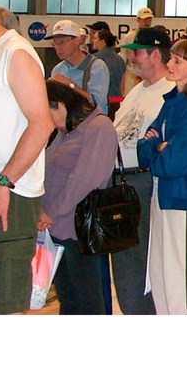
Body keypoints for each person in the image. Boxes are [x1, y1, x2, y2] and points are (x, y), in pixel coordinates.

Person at [137, 41, 187, 314]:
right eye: (171, 59)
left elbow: (174, 162)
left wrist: (160, 148)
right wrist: (157, 147)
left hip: (183, 198)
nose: (169, 65)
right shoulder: (173, 102)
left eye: (177, 62)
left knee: (179, 274)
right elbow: (144, 144)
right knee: (159, 272)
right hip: (162, 195)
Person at [111, 25, 176, 314]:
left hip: (145, 181)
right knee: (124, 263)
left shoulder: (172, 91)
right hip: (120, 181)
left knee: (143, 261)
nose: (132, 58)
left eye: (137, 53)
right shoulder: (137, 88)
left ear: (155, 54)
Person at [38, 80, 118, 314]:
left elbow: (85, 180)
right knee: (68, 298)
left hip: (78, 229)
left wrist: (51, 211)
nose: (49, 123)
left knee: (87, 299)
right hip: (57, 228)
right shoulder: (67, 131)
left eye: (48, 114)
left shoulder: (98, 127)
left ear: (60, 105)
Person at [0, 7, 54, 314]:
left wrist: (4, 181)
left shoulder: (14, 53)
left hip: (9, 196)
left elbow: (42, 124)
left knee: (4, 305)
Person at [46, 18, 110, 115]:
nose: (58, 47)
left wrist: (70, 85)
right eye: (55, 43)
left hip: (92, 127)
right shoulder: (58, 69)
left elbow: (96, 104)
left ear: (77, 40)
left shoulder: (97, 67)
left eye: (62, 42)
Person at [91, 28, 126, 101]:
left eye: (95, 38)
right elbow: (122, 85)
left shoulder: (94, 59)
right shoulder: (119, 59)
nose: (92, 41)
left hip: (101, 101)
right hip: (117, 100)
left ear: (103, 41)